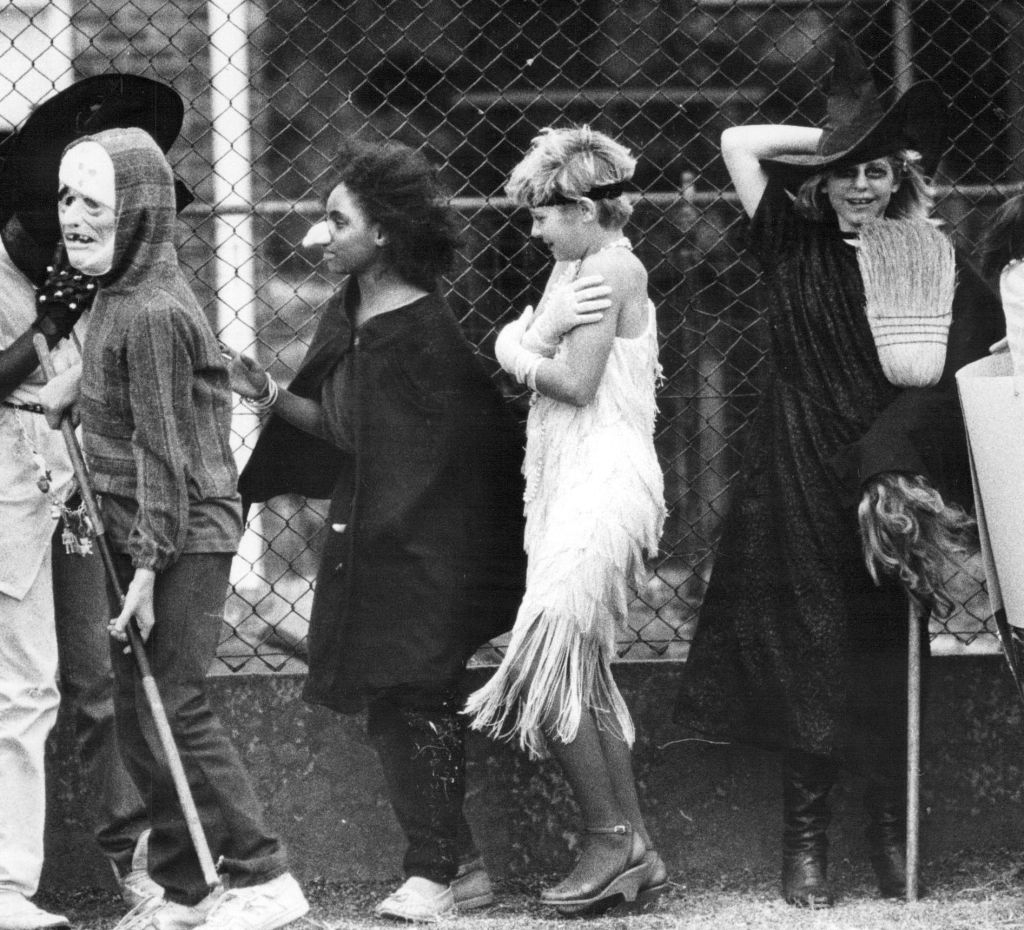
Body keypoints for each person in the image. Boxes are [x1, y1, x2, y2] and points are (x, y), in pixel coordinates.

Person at [672, 39, 1005, 906]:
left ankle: (890, 833)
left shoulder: (934, 262)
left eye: (880, 169)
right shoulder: (791, 241)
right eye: (847, 171)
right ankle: (807, 842)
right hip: (798, 474)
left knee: (887, 656)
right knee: (805, 655)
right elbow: (740, 143)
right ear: (818, 177)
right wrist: (840, 137)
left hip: (889, 488)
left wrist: (895, 456)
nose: (863, 185)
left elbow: (967, 371)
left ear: (904, 179)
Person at [232, 138, 533, 923]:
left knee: (419, 695)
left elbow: (470, 452)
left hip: (432, 548)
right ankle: (451, 867)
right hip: (370, 541)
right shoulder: (350, 309)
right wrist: (259, 390)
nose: (321, 233)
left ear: (385, 233)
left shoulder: (434, 333)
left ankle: (439, 873)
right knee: (390, 704)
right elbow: (343, 431)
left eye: (338, 220)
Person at [46, 126, 308, 930]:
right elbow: (127, 393)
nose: (75, 217)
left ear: (143, 213)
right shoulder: (119, 296)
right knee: (137, 706)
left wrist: (152, 569)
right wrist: (77, 387)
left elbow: (164, 448)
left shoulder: (154, 310)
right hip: (142, 529)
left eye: (97, 202)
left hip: (183, 531)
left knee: (179, 701)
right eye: (66, 198)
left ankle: (264, 877)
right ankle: (186, 887)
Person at [0, 74, 192, 930]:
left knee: (98, 683)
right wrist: (46, 321)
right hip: (6, 501)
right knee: (24, 689)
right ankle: (9, 885)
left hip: (75, 495)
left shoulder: (99, 279)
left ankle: (136, 871)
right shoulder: (35, 278)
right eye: (54, 217)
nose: (69, 234)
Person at [463, 125, 667, 916]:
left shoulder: (609, 268)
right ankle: (636, 849)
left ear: (582, 208)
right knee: (576, 672)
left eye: (544, 215)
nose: (534, 228)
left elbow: (572, 382)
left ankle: (608, 837)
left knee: (548, 672)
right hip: (568, 485)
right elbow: (535, 343)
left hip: (602, 484)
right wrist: (520, 338)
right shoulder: (577, 265)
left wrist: (511, 345)